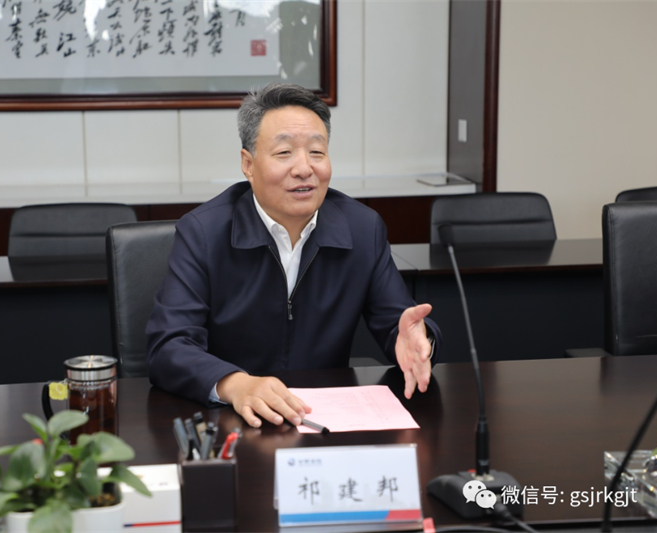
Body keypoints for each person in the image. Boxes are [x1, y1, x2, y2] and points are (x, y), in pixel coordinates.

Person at [147, 83, 441, 429]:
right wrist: (236, 385)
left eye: (317, 152)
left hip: (323, 421)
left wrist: (420, 341)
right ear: (248, 164)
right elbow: (169, 346)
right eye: (284, 152)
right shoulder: (204, 233)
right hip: (232, 423)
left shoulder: (362, 229)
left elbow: (400, 323)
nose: (304, 168)